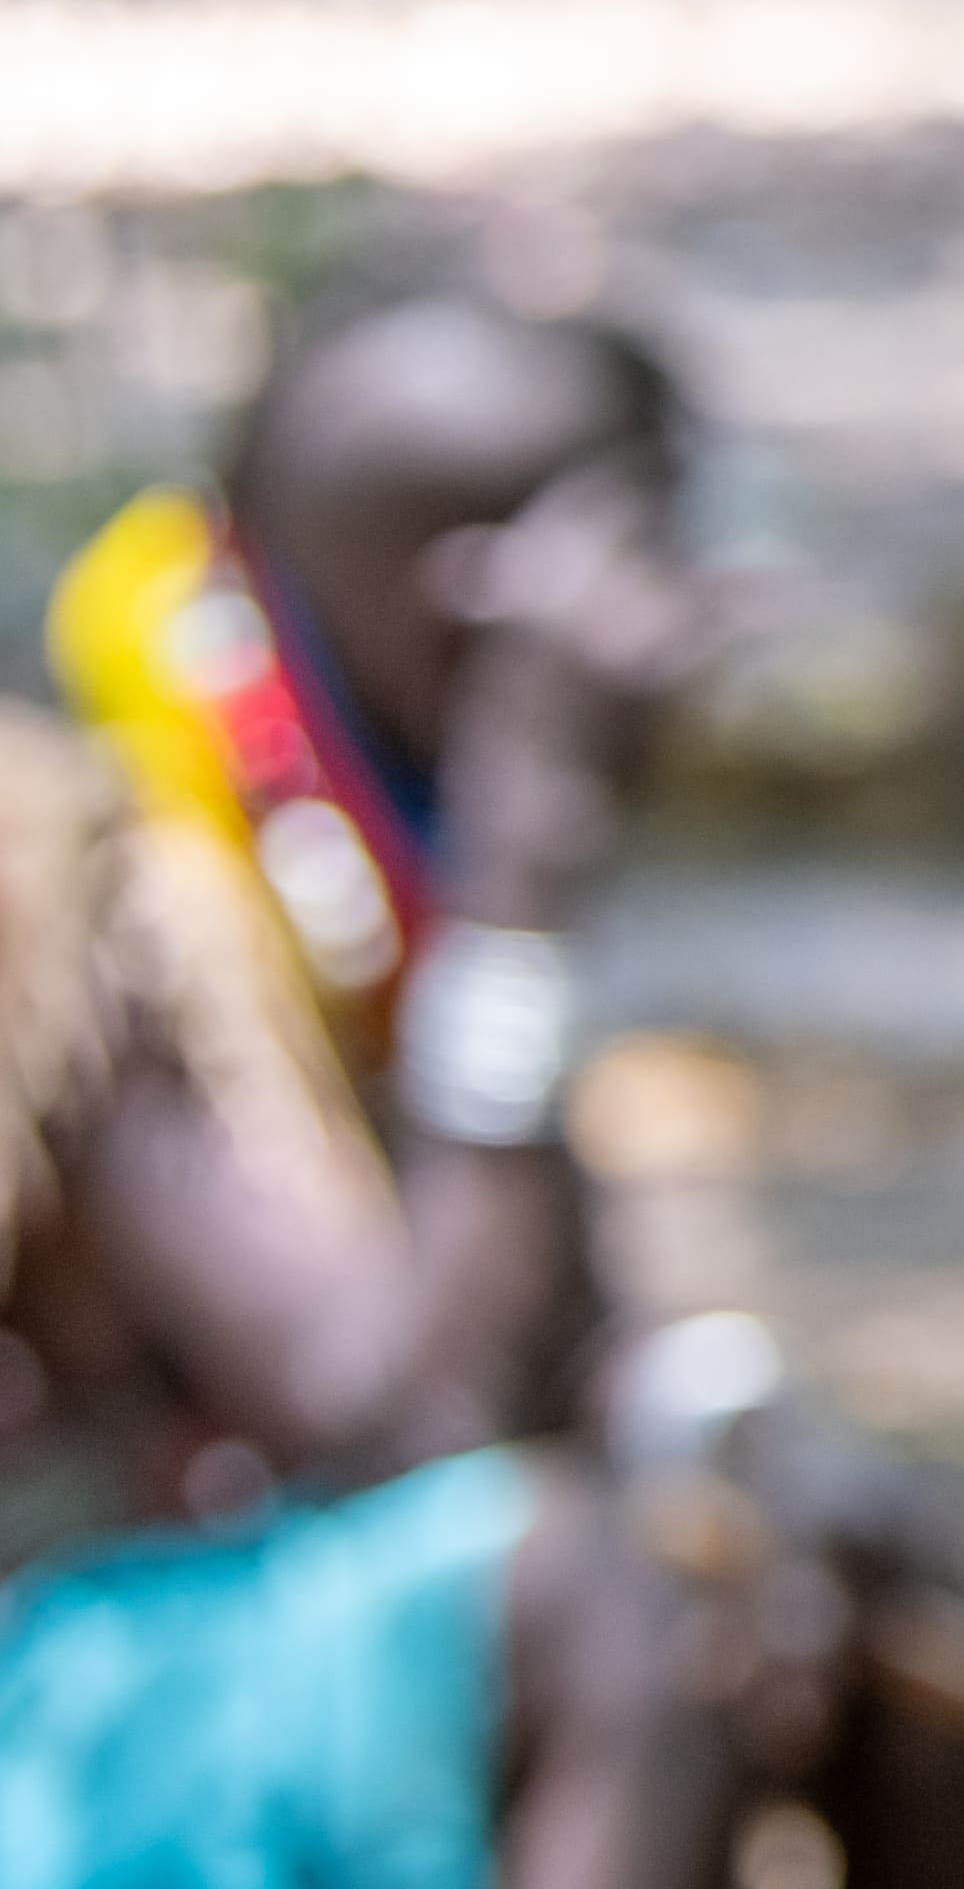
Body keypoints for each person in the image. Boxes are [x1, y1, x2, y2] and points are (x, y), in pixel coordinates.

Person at [0, 290, 746, 1884]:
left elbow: (560, 1348)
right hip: (44, 1712)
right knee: (604, 1611)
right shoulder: (95, 873)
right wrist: (525, 868)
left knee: (816, 1548)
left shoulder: (352, 851)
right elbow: (416, 1419)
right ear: (474, 611)